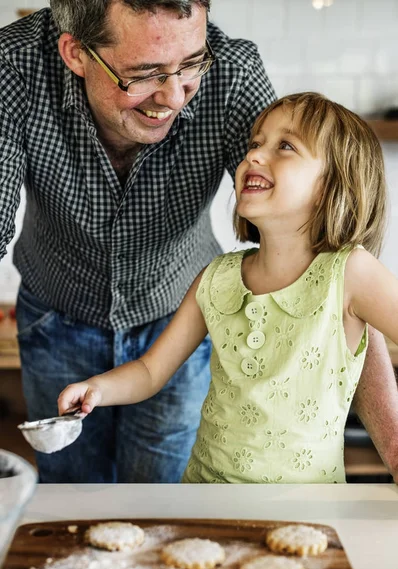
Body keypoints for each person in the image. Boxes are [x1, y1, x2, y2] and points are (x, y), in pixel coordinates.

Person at [0, 0, 278, 483]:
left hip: (179, 323)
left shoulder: (233, 71)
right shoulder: (13, 67)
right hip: (55, 319)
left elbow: (297, 221)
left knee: (161, 502)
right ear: (75, 53)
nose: (173, 96)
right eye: (145, 74)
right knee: (70, 502)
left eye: (191, 64)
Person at [58, 92, 398, 484]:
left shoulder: (352, 273)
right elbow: (151, 371)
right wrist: (96, 388)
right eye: (255, 144)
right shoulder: (216, 277)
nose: (253, 156)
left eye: (285, 146)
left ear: (331, 186)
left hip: (309, 509)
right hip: (206, 496)